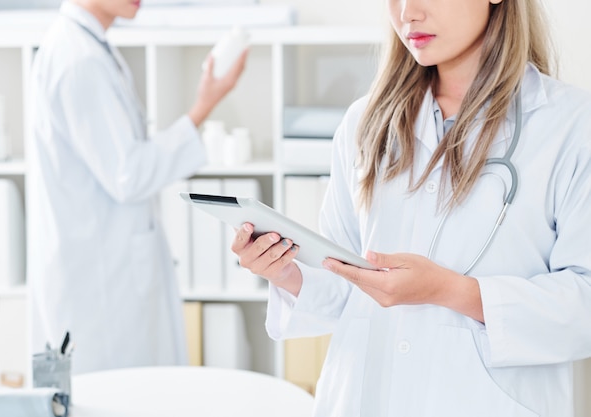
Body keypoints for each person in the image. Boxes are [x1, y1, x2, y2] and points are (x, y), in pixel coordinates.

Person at [231, 0, 591, 415]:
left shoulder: (571, 126)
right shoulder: (364, 122)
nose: (407, 13)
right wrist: (286, 272)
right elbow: (346, 281)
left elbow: (583, 303)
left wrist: (453, 291)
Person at [28, 0, 247, 374]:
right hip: (99, 283)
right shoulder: (79, 60)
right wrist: (203, 106)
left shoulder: (88, 47)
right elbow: (128, 175)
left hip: (105, 267)